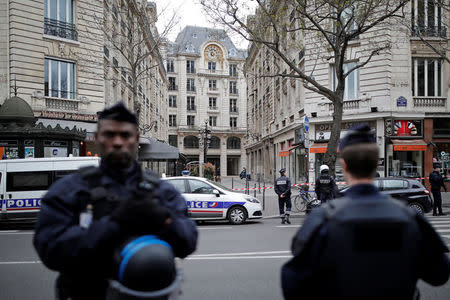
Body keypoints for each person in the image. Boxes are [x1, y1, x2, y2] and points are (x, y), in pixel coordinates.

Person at [33, 102, 198, 300]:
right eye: (110, 134)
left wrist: (164, 220)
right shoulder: (71, 189)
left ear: (136, 139)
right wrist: (112, 224)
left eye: (126, 135)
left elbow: (188, 241)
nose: (118, 142)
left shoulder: (160, 190)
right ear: (97, 138)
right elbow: (50, 250)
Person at [281, 124, 450, 299]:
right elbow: (440, 274)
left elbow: (292, 285)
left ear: (344, 165)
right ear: (376, 164)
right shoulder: (410, 218)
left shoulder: (322, 219)